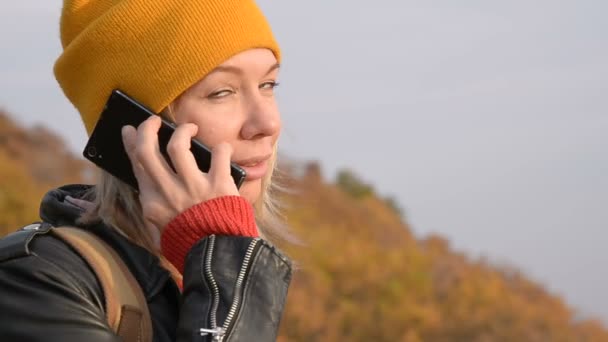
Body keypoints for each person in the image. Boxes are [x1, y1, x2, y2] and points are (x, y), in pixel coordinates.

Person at [0, 0, 292, 341]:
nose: (267, 123)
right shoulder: (34, 282)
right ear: (133, 122)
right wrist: (225, 258)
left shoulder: (193, 277)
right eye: (221, 92)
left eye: (268, 85)